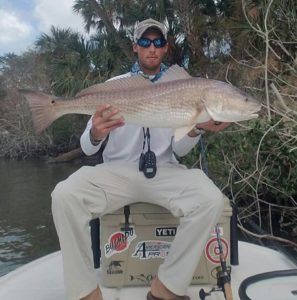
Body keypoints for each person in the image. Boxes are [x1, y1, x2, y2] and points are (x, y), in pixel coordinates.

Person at [51, 18, 230, 300]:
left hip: (164, 172)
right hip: (116, 173)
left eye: (158, 42)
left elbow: (179, 150)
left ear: (165, 47)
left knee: (210, 198)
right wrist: (97, 133)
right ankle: (85, 292)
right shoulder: (114, 86)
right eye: (145, 42)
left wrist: (197, 127)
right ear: (135, 47)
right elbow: (86, 148)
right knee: (64, 195)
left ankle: (167, 287)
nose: (152, 48)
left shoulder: (183, 85)